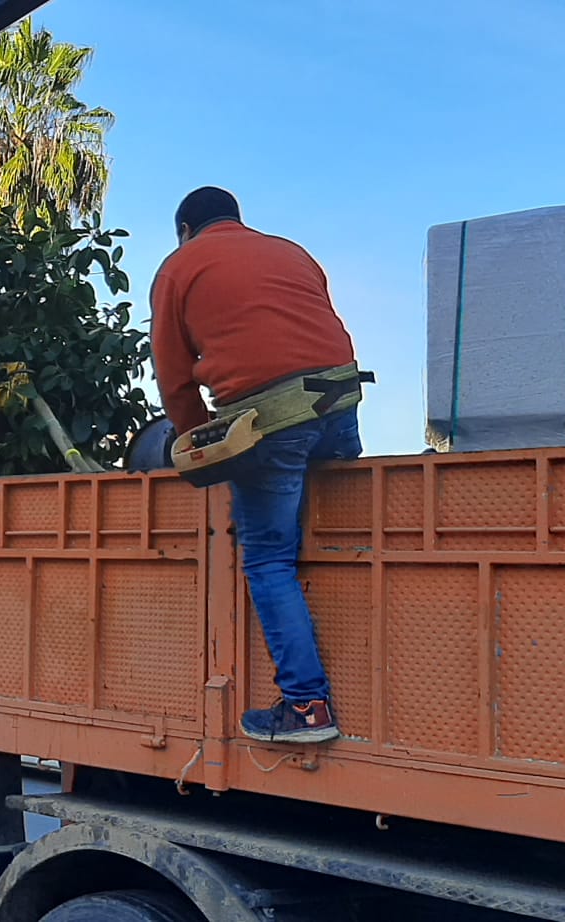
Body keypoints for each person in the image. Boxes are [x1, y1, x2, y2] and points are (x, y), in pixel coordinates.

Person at [151, 186, 363, 744]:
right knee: (313, 483)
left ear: (184, 230)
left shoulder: (178, 268)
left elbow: (174, 378)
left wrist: (199, 438)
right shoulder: (291, 251)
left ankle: (307, 707)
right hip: (340, 405)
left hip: (273, 421)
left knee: (269, 558)